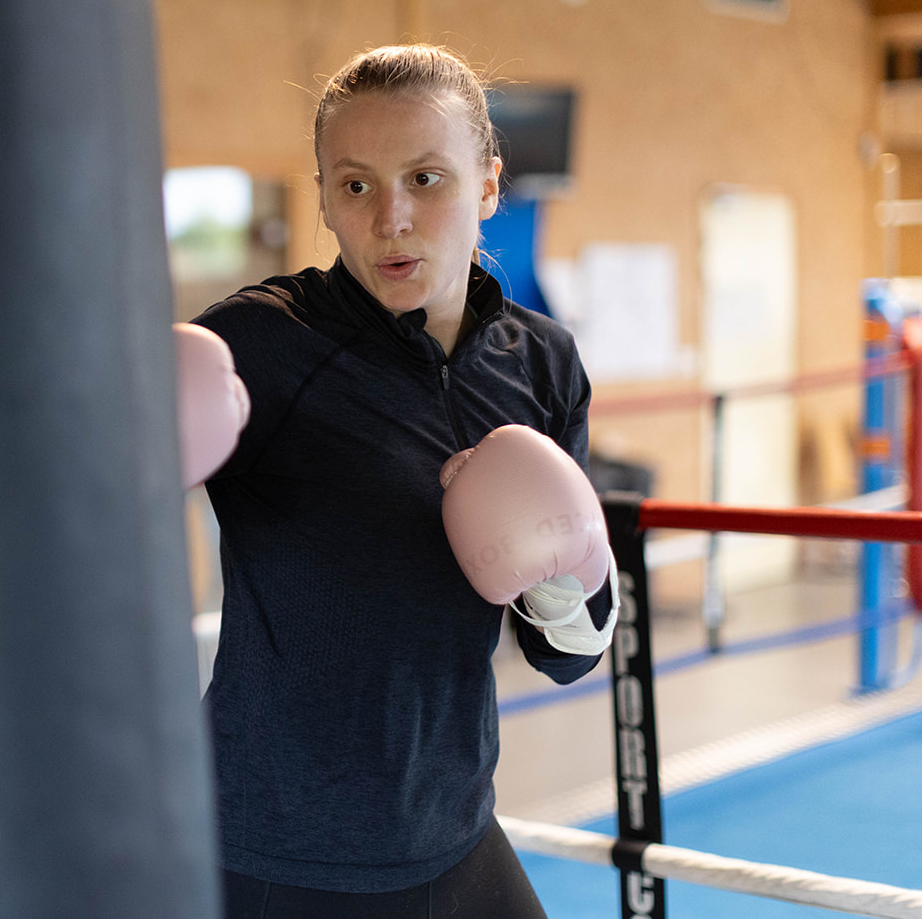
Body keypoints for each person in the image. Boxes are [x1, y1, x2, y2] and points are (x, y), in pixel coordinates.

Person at [193, 44, 613, 918]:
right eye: (356, 185)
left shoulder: (541, 361)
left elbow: (566, 655)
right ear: (324, 198)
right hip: (278, 851)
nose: (392, 218)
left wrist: (573, 580)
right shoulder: (265, 344)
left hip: (454, 828)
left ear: (489, 184)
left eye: (427, 179)